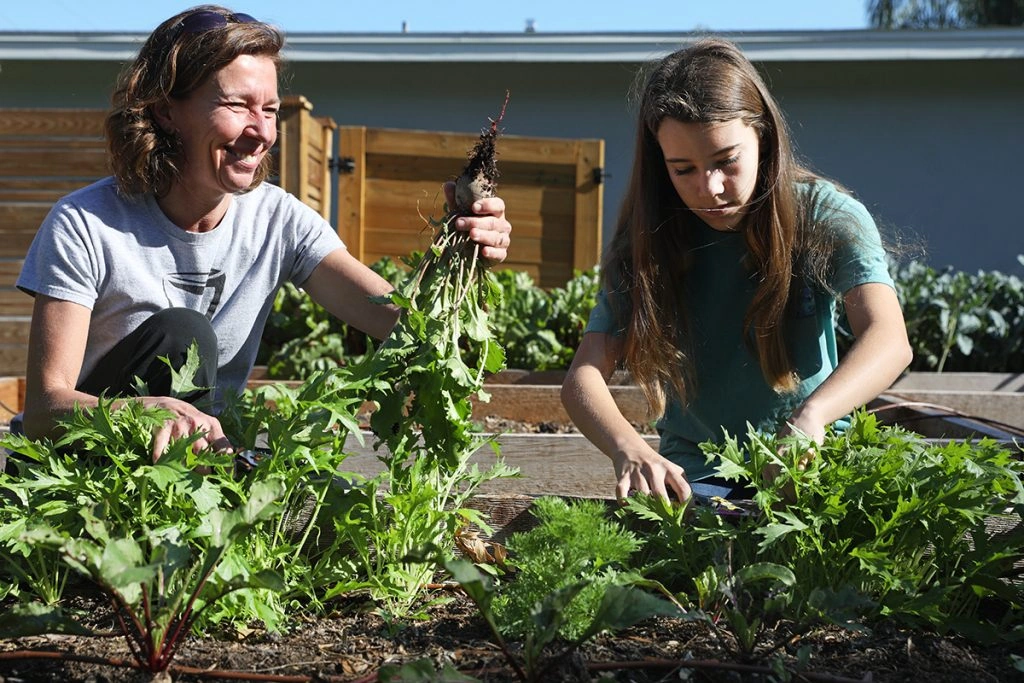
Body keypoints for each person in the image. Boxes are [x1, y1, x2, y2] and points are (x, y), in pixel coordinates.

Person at [15, 5, 512, 462]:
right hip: (79, 474)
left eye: (270, 110)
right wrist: (146, 412)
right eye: (237, 105)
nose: (262, 131)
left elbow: (401, 325)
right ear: (166, 110)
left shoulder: (278, 222)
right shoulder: (86, 223)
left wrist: (464, 259)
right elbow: (43, 408)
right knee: (182, 334)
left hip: (205, 465)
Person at [560, 38, 912, 503]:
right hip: (694, 475)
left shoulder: (826, 216)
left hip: (811, 460)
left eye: (726, 161)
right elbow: (581, 377)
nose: (709, 188)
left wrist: (812, 417)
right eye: (682, 169)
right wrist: (628, 447)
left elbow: (890, 340)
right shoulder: (648, 240)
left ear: (763, 137)